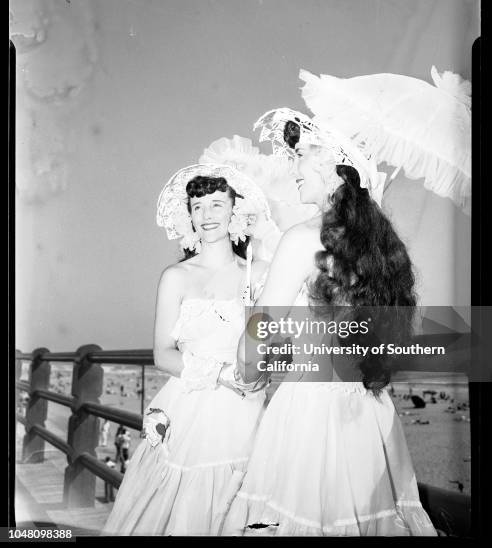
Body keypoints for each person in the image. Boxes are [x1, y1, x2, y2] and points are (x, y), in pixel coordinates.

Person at [221, 112, 437, 536]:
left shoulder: (303, 238)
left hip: (309, 413)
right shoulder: (380, 244)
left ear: (327, 164)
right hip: (370, 412)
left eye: (299, 155)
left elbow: (257, 341)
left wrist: (245, 376)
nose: (292, 168)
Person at [101, 163, 272, 536]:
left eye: (216, 204)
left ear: (235, 209)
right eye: (197, 206)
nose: (206, 215)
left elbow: (276, 340)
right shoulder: (175, 276)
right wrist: (222, 374)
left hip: (247, 412)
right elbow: (162, 353)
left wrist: (263, 365)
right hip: (190, 405)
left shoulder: (259, 274)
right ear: (188, 215)